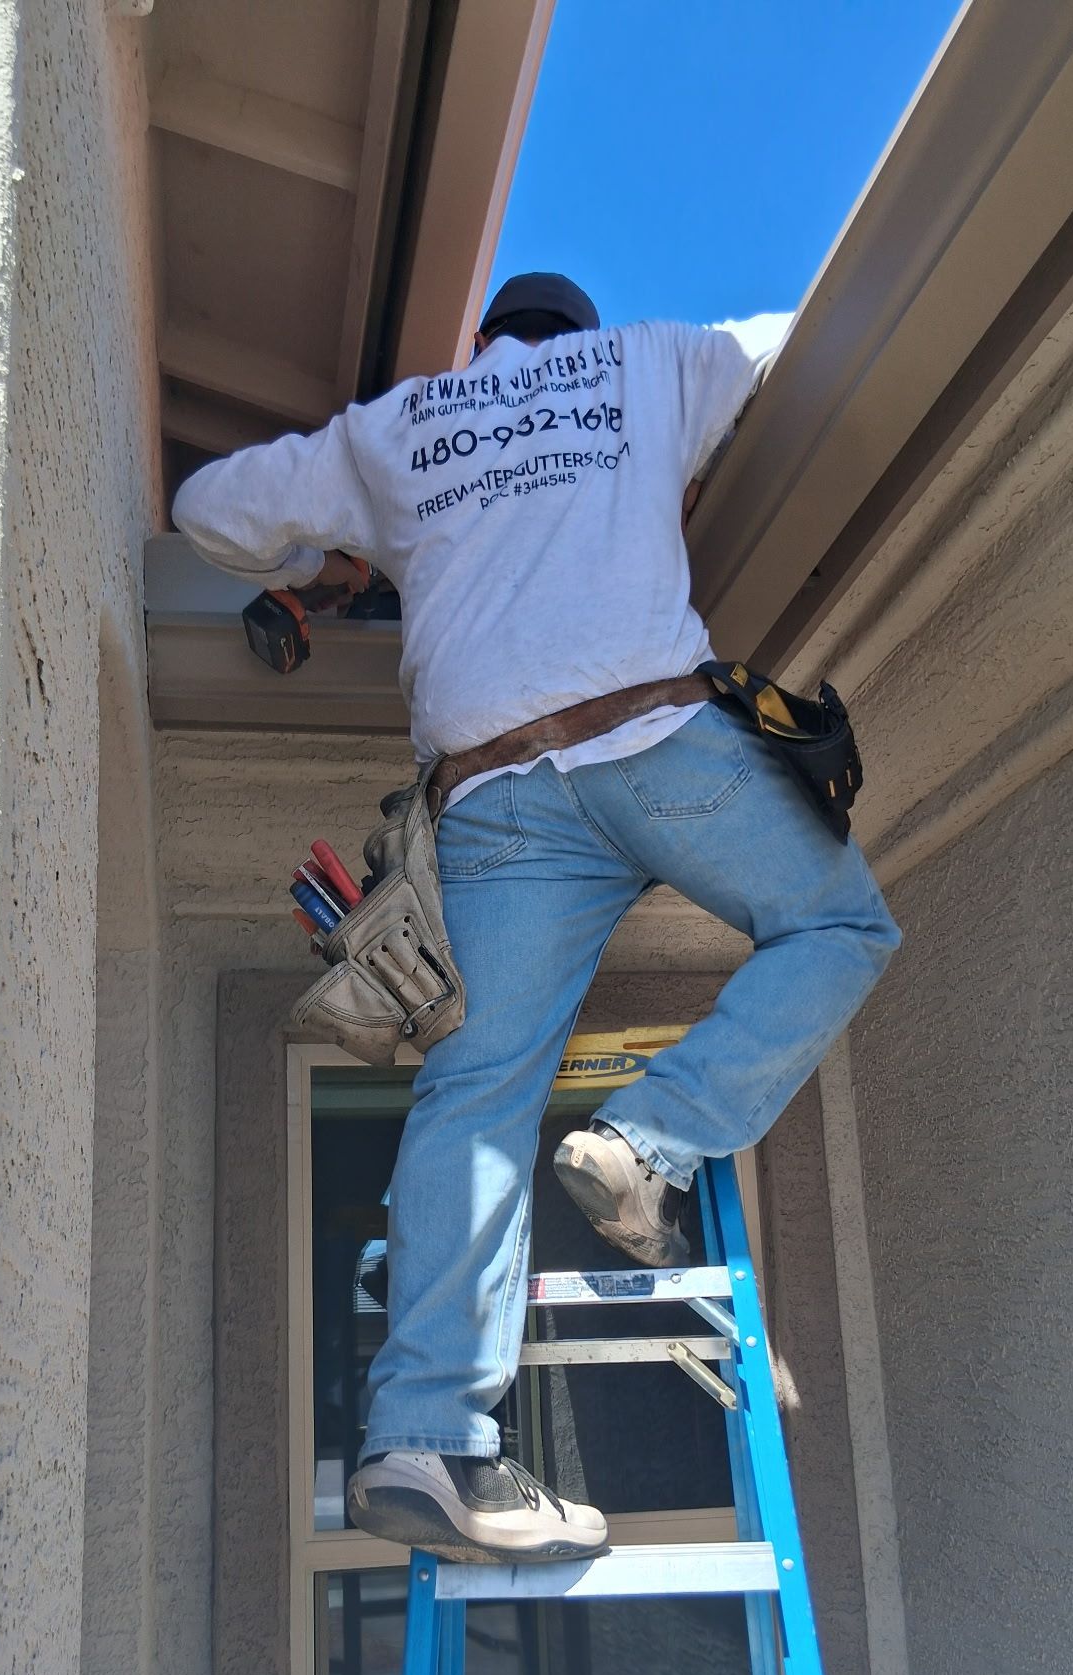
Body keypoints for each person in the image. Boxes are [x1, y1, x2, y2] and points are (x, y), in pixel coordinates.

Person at [173, 272, 900, 1564]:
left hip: (494, 789)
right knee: (838, 926)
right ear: (581, 336)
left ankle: (423, 1442)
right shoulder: (653, 364)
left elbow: (208, 509)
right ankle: (651, 1142)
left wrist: (332, 552)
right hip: (654, 737)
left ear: (483, 344)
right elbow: (835, 322)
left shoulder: (402, 426)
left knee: (478, 1089)